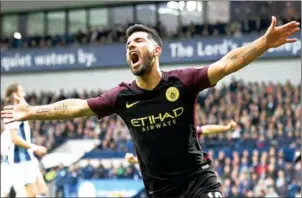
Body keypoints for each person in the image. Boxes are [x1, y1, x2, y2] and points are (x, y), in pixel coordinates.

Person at [1, 17, 300, 197]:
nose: (131, 46)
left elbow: (226, 63)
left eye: (138, 41)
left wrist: (263, 43)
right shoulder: (121, 97)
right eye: (127, 44)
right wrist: (32, 111)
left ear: (156, 51)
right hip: (160, 192)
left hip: (198, 182)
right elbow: (77, 107)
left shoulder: (182, 82)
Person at [2, 83, 48, 198]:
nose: (24, 94)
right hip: (19, 160)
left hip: (28, 157)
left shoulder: (20, 110)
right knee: (29, 193)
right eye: (21, 91)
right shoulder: (11, 111)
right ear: (14, 94)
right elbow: (14, 138)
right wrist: (35, 147)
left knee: (41, 190)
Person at [125, 120, 238, 164]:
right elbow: (152, 159)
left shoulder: (183, 130)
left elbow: (204, 129)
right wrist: (134, 160)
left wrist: (226, 128)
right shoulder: (160, 142)